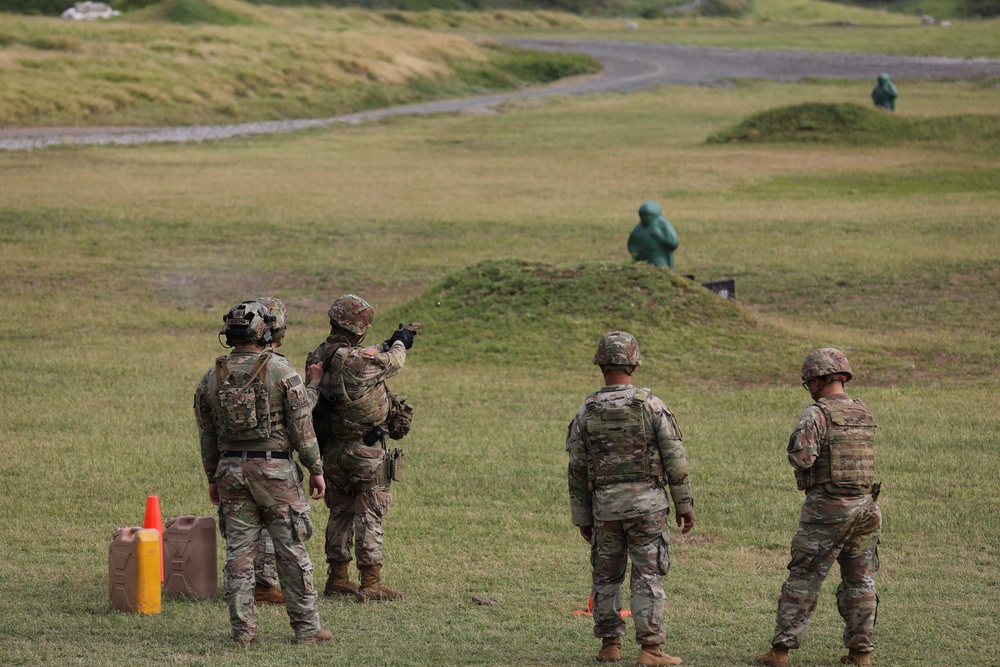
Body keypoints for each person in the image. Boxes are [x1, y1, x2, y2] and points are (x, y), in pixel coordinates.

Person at [194, 300, 332, 646]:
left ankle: (242, 634)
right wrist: (316, 468)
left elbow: (207, 435)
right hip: (276, 471)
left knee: (238, 554)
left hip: (230, 472)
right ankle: (307, 630)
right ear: (265, 331)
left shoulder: (212, 376)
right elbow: (303, 427)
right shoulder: (283, 372)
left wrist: (213, 476)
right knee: (291, 550)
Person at [567, 331, 695, 666]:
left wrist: (582, 516)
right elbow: (675, 459)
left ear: (601, 365)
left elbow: (577, 469)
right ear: (634, 363)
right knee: (647, 576)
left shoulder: (586, 411)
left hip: (604, 511)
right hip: (648, 508)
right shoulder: (651, 406)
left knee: (606, 577)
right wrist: (685, 505)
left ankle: (610, 645)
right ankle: (651, 650)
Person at [755, 348, 881, 667]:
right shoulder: (863, 411)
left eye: (809, 381)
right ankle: (860, 653)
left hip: (828, 509)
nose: (808, 387)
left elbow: (802, 457)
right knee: (860, 580)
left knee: (804, 576)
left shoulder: (817, 413)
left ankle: (780, 652)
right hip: (867, 507)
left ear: (820, 379)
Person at [306, 294, 416, 603]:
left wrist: (383, 343)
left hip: (332, 449)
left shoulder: (320, 353)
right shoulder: (359, 361)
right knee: (370, 514)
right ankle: (370, 583)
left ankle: (338, 578)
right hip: (365, 450)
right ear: (358, 327)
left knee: (339, 511)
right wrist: (399, 342)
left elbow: (357, 356)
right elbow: (393, 363)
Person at [248, 296, 323, 606]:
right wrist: (314, 383)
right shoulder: (280, 369)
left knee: (245, 533)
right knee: (286, 533)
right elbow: (300, 417)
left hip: (232, 465)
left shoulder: (222, 369)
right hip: (274, 465)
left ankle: (255, 591)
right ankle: (287, 603)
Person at [627, 201, 679, 270]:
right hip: (641, 260)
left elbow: (673, 243)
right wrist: (635, 253)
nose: (645, 218)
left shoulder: (663, 224)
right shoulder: (639, 228)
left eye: (648, 215)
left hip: (657, 258)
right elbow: (631, 243)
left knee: (659, 272)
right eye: (643, 216)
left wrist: (659, 236)